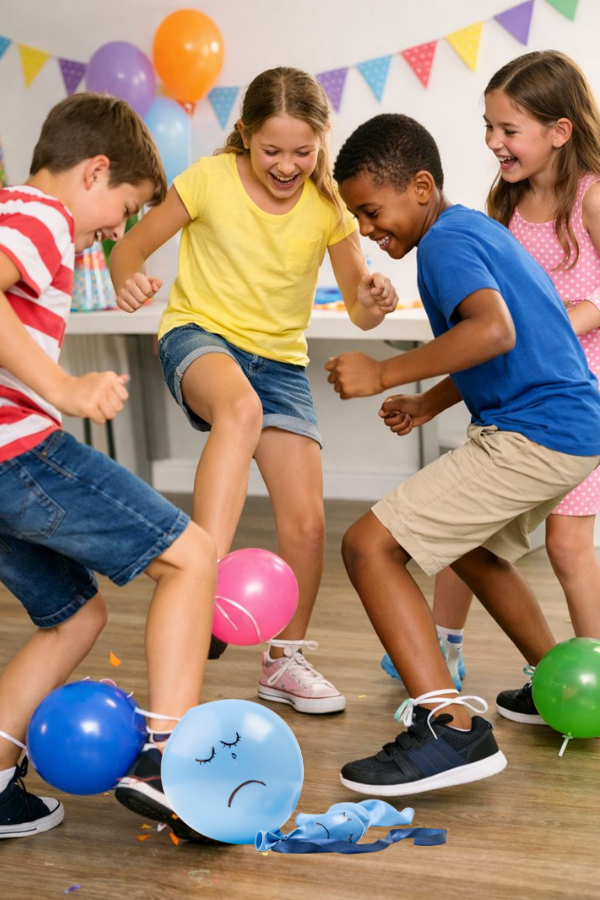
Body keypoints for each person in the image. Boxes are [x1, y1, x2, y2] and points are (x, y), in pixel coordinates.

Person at [324, 112, 600, 795]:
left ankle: (450, 728)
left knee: (367, 546)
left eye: (371, 209)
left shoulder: (446, 246)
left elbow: (494, 331)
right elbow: (512, 342)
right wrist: (429, 403)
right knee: (473, 549)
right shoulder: (472, 230)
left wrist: (387, 375)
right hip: (567, 426)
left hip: (535, 432)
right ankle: (557, 679)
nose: (365, 228)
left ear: (421, 186)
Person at [110, 67, 398, 715]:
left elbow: (358, 307)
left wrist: (376, 301)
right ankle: (201, 577)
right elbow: (131, 249)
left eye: (304, 151)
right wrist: (126, 278)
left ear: (322, 140)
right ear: (243, 136)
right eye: (272, 151)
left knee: (307, 524)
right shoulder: (210, 180)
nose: (288, 165)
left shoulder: (330, 208)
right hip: (199, 339)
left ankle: (283, 663)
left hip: (281, 366)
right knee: (237, 408)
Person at [0, 93, 217, 840]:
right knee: (193, 556)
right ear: (94, 171)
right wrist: (62, 387)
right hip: (16, 453)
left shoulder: (16, 214)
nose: (118, 230)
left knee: (75, 615)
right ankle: (168, 758)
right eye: (124, 208)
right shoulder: (41, 216)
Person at [383, 51, 600, 722]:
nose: (493, 142)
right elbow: (487, 335)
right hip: (516, 401)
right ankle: (444, 649)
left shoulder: (591, 195)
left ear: (560, 131)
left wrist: (565, 322)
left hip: (576, 396)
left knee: (568, 545)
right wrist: (429, 400)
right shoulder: (500, 210)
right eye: (489, 127)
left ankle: (588, 670)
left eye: (509, 129)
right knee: (464, 531)